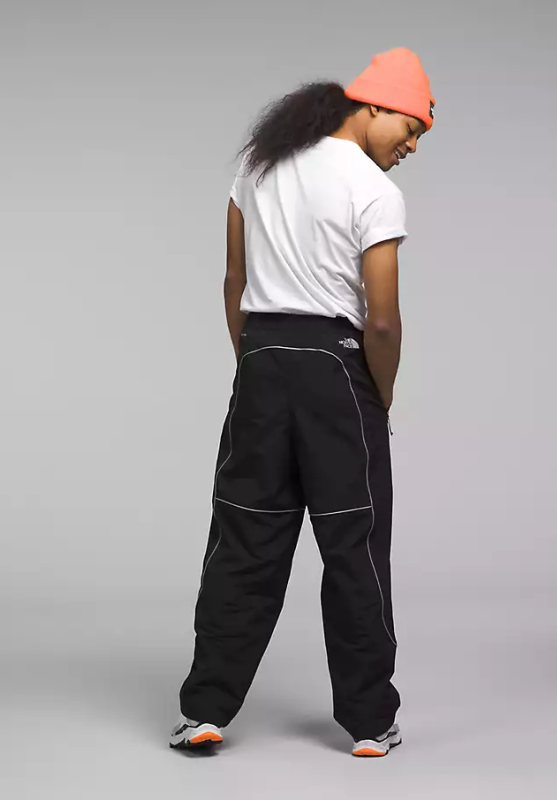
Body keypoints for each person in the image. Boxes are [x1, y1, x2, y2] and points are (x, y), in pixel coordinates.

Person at [169, 46, 435, 758]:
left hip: (260, 361)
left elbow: (234, 282)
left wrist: (253, 364)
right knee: (354, 546)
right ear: (373, 104)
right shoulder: (372, 189)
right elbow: (382, 320)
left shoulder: (257, 165)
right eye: (411, 127)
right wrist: (378, 395)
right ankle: (370, 724)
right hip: (337, 371)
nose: (412, 146)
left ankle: (203, 711)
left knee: (242, 542)